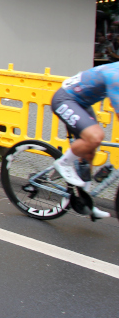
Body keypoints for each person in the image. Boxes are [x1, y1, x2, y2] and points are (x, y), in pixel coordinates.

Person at [50, 62, 119, 220]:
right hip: (64, 99)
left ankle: (86, 202)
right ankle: (64, 163)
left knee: (89, 152)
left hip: (81, 104)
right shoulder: (116, 77)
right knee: (95, 137)